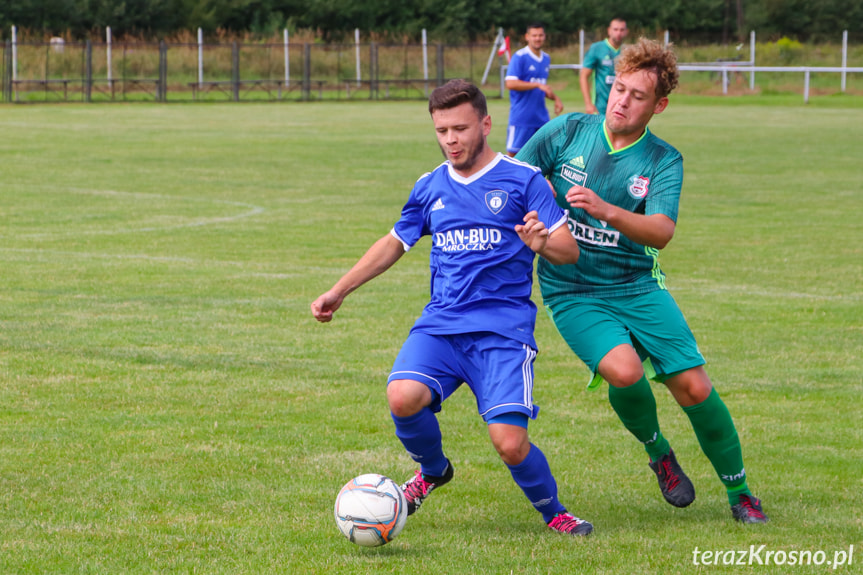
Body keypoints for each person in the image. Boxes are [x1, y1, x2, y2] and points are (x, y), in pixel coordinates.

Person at [311, 79, 593, 536]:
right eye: (441, 131)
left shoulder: (523, 180)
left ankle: (554, 513)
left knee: (509, 443)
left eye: (459, 129)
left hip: (502, 332)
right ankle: (433, 471)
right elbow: (395, 242)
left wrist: (542, 243)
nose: (450, 140)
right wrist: (340, 290)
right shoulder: (430, 186)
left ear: (485, 123)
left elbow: (568, 249)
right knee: (402, 396)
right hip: (442, 325)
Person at [516, 38, 768, 524]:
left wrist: (607, 210)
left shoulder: (663, 160)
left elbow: (662, 231)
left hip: (636, 283)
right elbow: (513, 174)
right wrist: (539, 197)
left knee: (693, 387)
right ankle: (660, 454)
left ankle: (741, 495)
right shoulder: (568, 130)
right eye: (619, 88)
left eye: (637, 96)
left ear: (659, 105)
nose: (622, 100)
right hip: (572, 288)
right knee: (625, 371)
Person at [504, 23, 563, 157]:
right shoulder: (520, 57)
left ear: (544, 37)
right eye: (534, 35)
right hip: (521, 118)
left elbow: (543, 87)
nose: (537, 38)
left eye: (540, 35)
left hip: (541, 118)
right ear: (527, 37)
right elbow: (511, 83)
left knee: (545, 157)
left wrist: (556, 98)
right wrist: (537, 85)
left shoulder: (546, 58)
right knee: (514, 157)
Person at [579, 18, 628, 115]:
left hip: (621, 107)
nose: (618, 33)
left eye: (622, 30)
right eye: (615, 29)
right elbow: (584, 76)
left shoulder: (628, 51)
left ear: (626, 32)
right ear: (609, 30)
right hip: (600, 107)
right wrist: (588, 104)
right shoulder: (597, 48)